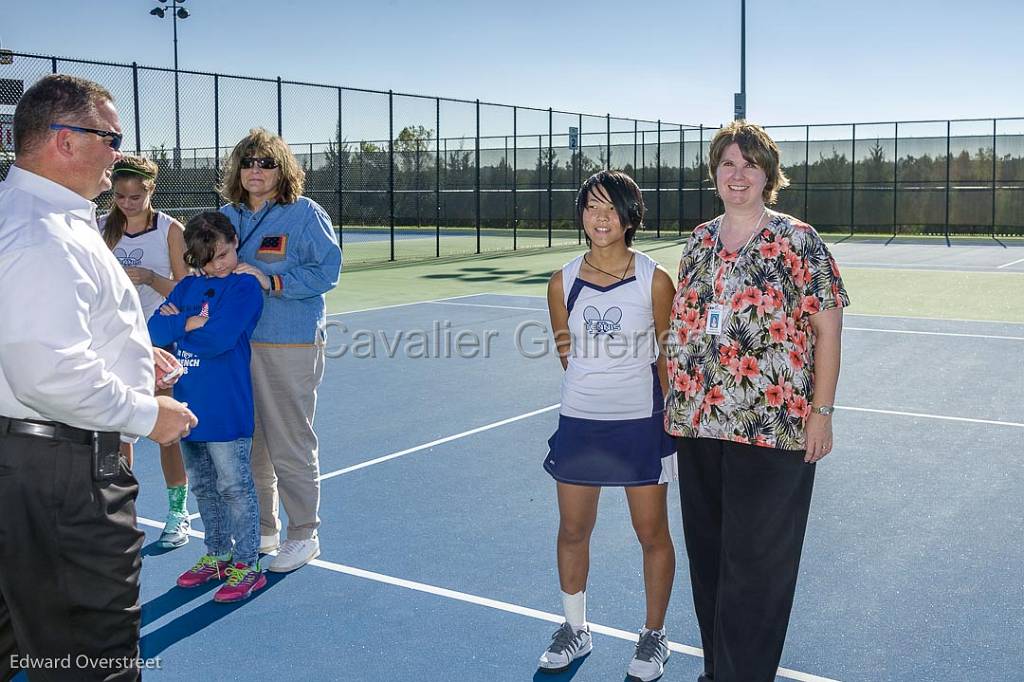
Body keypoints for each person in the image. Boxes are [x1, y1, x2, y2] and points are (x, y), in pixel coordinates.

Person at [0, 74, 196, 681]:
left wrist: (135, 357)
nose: (120, 153)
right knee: (92, 656)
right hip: (61, 477)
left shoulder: (40, 216)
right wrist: (147, 415)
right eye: (110, 137)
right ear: (63, 140)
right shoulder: (43, 232)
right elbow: (47, 370)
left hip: (29, 466)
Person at [664, 120, 849, 682]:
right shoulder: (698, 241)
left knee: (758, 569)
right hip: (699, 425)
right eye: (727, 163)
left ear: (768, 175)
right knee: (711, 563)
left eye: (749, 164)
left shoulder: (798, 240)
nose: (737, 174)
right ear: (714, 172)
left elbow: (829, 332)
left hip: (772, 430)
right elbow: (685, 324)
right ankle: (718, 670)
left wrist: (821, 413)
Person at [537, 171, 677, 682]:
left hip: (642, 426)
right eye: (592, 207)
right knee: (573, 530)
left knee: (651, 534)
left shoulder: (655, 278)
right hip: (580, 423)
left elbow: (669, 356)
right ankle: (575, 629)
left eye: (612, 208)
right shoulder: (562, 281)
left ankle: (654, 636)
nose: (601, 217)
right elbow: (566, 355)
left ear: (630, 217)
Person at [219, 128, 341, 573]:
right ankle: (264, 531)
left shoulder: (304, 214)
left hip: (288, 340)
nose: (255, 169)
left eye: (266, 162)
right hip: (237, 346)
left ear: (282, 170)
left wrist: (273, 281)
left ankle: (303, 534)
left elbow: (328, 271)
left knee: (289, 440)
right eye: (248, 161)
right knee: (250, 444)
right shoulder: (226, 215)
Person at [149, 212, 266, 602]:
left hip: (225, 407)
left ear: (235, 242)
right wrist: (189, 322)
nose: (219, 265)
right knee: (202, 485)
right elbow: (151, 330)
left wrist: (179, 325)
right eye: (209, 260)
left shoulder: (245, 287)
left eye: (225, 254)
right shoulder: (187, 290)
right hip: (187, 405)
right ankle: (217, 554)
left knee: (234, 486)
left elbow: (220, 339)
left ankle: (247, 564)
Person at [100, 154, 193, 549]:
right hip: (112, 343)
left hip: (160, 343)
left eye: (135, 195)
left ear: (151, 189)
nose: (127, 202)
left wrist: (152, 279)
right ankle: (120, 514)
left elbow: (188, 294)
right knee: (117, 433)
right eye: (120, 195)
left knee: (166, 431)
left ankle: (178, 514)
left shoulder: (171, 230)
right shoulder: (101, 227)